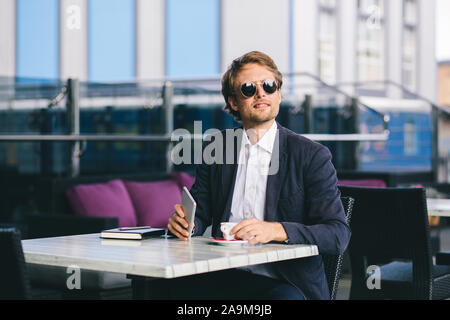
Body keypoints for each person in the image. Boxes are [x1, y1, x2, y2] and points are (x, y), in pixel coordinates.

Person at [167, 51, 351, 300]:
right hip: (224, 273)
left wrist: (276, 230)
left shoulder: (311, 155)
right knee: (161, 288)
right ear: (233, 102)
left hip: (283, 282)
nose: (260, 93)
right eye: (247, 88)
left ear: (279, 93)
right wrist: (187, 225)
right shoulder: (218, 147)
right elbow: (199, 214)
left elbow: (337, 234)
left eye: (268, 85)